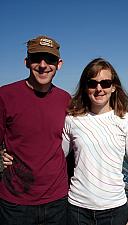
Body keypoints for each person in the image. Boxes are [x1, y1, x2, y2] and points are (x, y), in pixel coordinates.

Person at [62, 58, 128, 225]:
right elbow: (56, 155)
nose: (99, 89)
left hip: (114, 210)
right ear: (85, 88)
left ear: (113, 87)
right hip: (78, 209)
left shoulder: (125, 120)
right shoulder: (72, 120)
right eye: (92, 83)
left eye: (105, 83)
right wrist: (14, 154)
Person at [0, 35, 70, 225]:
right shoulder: (5, 95)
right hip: (15, 204)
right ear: (26, 62)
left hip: (57, 202)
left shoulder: (66, 100)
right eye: (36, 58)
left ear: (59, 64)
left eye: (50, 59)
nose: (42, 65)